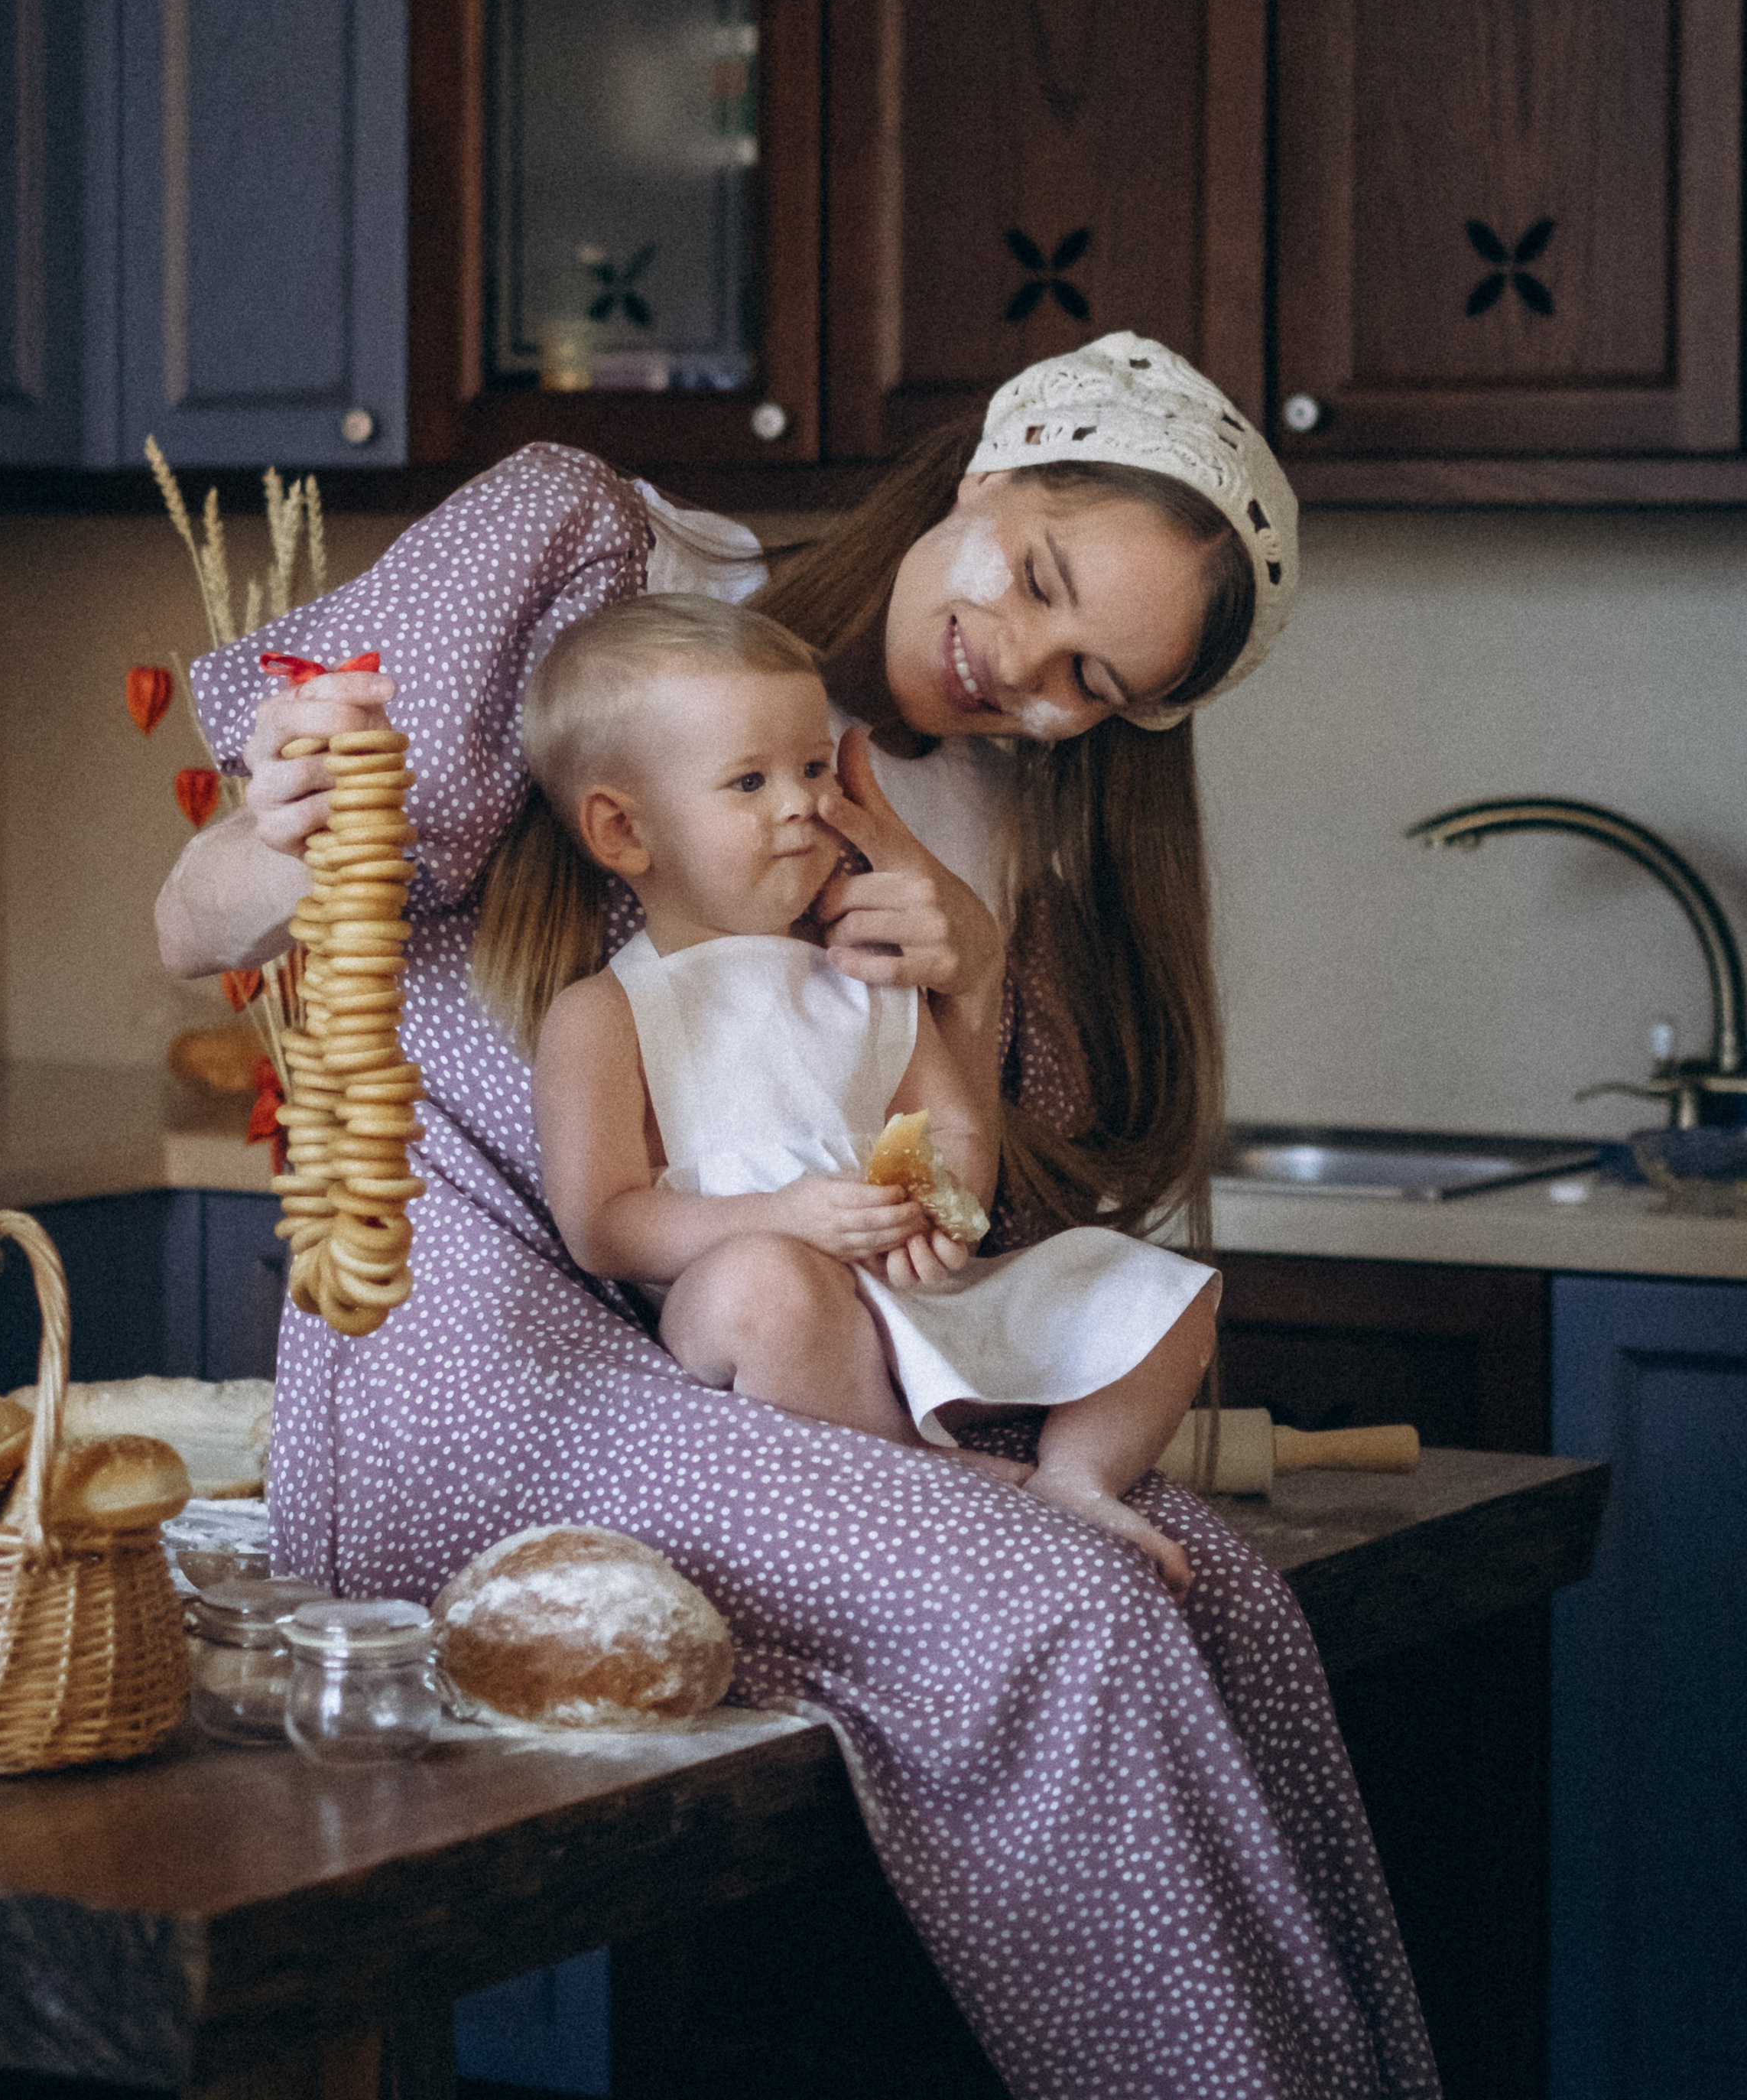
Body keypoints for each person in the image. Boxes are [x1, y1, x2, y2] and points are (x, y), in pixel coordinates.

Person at [161, 332, 1438, 2100]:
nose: (1024, 672)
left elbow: (965, 1208)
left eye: (1093, 679)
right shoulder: (590, 565)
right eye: (1043, 580)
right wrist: (259, 846)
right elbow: (216, 910)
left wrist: (968, 988)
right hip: (477, 1376)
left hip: (758, 1375)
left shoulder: (991, 840)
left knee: (1222, 1602)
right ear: (991, 464)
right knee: (1063, 1615)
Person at [500, 593, 1220, 1595]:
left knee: (1155, 1285)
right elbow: (604, 1224)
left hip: (900, 1299)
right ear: (625, 831)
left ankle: (1076, 1477)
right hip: (752, 1304)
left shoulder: (863, 970)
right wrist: (784, 1219)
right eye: (749, 780)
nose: (800, 802)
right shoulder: (607, 1012)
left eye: (808, 767)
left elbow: (951, 1125)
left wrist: (942, 1204)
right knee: (771, 1283)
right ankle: (915, 1479)